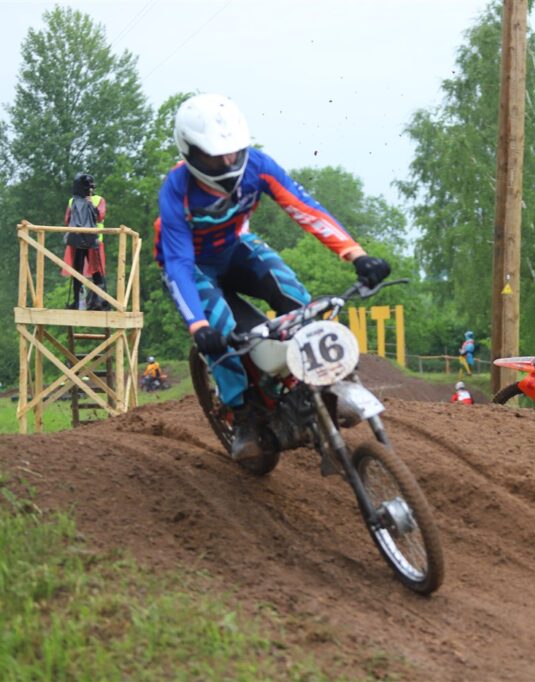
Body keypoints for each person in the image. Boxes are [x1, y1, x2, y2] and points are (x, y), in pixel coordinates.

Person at [155, 93, 390, 461]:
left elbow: (304, 208)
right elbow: (179, 264)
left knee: (300, 301)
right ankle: (243, 416)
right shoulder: (176, 190)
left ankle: (320, 380)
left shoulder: (258, 166)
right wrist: (198, 326)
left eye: (233, 152)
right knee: (220, 331)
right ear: (191, 152)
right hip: (192, 265)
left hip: (236, 247)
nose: (228, 162)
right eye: (215, 156)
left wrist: (356, 255)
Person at [62, 172, 110, 311]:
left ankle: (99, 301)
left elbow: (100, 217)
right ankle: (78, 302)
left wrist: (90, 206)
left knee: (97, 272)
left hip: (94, 240)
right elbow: (68, 220)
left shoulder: (98, 200)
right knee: (77, 271)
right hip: (78, 240)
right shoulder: (73, 201)